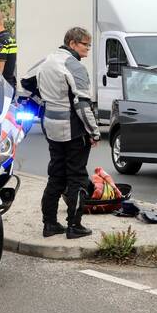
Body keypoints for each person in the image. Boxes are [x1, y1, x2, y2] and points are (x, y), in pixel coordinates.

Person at [21, 27, 99, 239]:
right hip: (73, 129)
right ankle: (74, 226)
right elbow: (83, 104)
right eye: (86, 45)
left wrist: (44, 99)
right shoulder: (74, 66)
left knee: (56, 175)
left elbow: (26, 81)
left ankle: (49, 224)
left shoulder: (48, 60)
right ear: (72, 43)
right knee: (77, 177)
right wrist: (94, 132)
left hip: (51, 127)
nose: (88, 49)